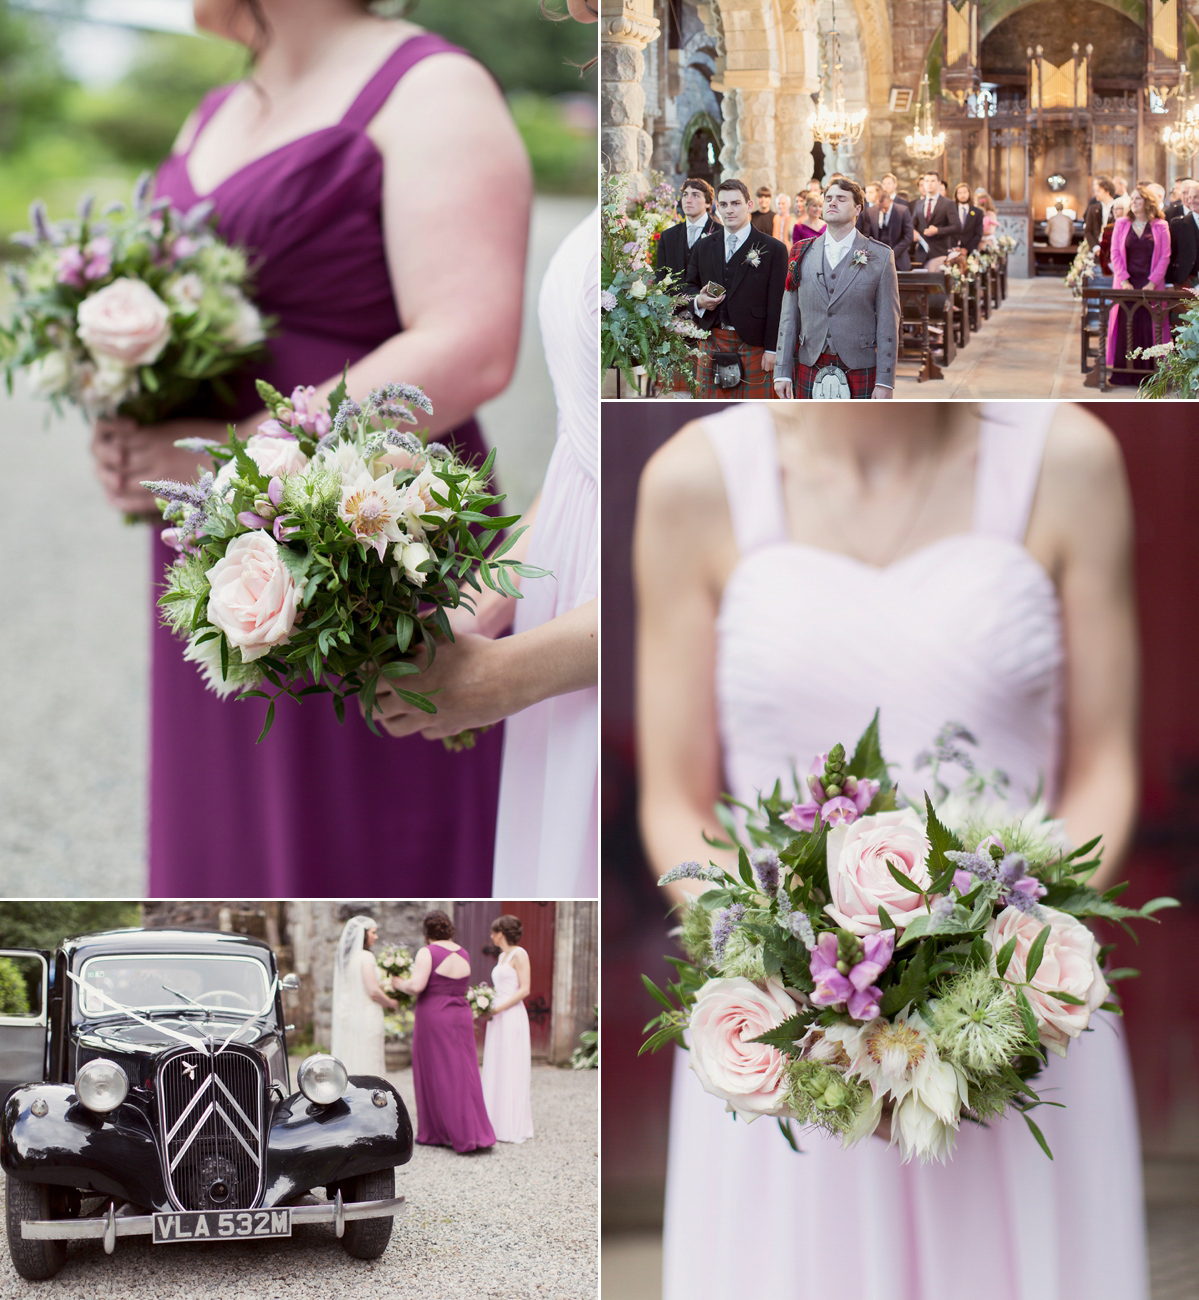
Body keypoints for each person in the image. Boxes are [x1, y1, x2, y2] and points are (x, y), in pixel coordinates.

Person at [634, 404, 1147, 1300]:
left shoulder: (1069, 459)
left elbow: (1104, 766)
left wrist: (1008, 976)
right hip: (790, 1036)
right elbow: (674, 799)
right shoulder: (694, 480)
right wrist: (782, 980)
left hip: (1020, 1021)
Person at [94, 0, 532, 897]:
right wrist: (135, 432)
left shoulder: (433, 88)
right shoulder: (215, 110)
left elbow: (470, 342)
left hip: (361, 534)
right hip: (217, 548)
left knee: (364, 838)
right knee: (228, 839)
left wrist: (239, 457)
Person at [369, 0, 597, 898]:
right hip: (565, 622)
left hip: (614, 645)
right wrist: (479, 603)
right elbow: (585, 456)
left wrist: (508, 674)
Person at [773, 177, 899, 400]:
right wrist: (782, 372)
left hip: (860, 365)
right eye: (828, 198)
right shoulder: (801, 252)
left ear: (857, 208)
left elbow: (889, 322)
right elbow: (788, 315)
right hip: (809, 362)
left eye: (841, 199)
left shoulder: (880, 255)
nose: (832, 203)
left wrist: (885, 381)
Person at [395, 911, 495, 1154]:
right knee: (464, 1071)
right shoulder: (463, 952)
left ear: (427, 932)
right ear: (449, 929)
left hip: (434, 1015)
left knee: (436, 1071)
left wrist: (398, 983)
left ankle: (437, 1132)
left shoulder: (427, 952)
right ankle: (474, 1132)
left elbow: (417, 986)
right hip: (460, 1014)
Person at [684, 179, 788, 399]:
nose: (729, 210)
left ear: (749, 205)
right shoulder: (703, 246)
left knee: (755, 411)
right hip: (711, 338)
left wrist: (772, 349)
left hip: (754, 344)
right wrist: (698, 301)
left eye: (736, 203)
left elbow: (777, 304)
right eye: (723, 205)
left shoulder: (774, 249)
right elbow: (689, 284)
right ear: (717, 207)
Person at [1107, 184, 1171, 385]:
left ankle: (1150, 374)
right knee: (1126, 324)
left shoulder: (1161, 225)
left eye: (1137, 199)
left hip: (1150, 283)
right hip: (1127, 283)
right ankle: (1123, 373)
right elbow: (1115, 253)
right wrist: (1124, 280)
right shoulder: (1121, 223)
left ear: (1147, 202)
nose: (1133, 202)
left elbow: (1165, 256)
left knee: (1150, 326)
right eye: (1132, 199)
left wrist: (1153, 282)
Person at [479, 914, 534, 1144]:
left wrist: (498, 1008)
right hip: (497, 1016)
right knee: (496, 1063)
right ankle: (493, 1120)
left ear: (500, 933)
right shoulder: (502, 956)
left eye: (493, 932)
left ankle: (511, 1125)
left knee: (511, 1063)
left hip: (511, 1015)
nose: (491, 936)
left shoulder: (519, 954)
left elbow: (525, 990)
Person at [331, 915, 399, 1077]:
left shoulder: (346, 959)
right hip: (367, 1014)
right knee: (369, 1054)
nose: (376, 937)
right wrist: (391, 1002)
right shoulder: (366, 957)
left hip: (349, 1015)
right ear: (363, 934)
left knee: (351, 1053)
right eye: (373, 932)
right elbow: (373, 991)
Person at [656, 177, 719, 283]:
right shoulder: (668, 236)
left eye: (695, 195)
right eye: (685, 195)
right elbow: (660, 277)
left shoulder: (720, 233)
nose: (688, 200)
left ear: (708, 202)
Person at [912, 170, 960, 268]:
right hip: (922, 252)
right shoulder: (919, 203)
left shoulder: (947, 203)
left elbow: (956, 226)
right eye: (927, 181)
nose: (929, 184)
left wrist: (937, 230)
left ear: (939, 183)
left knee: (938, 283)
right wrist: (913, 232)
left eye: (933, 181)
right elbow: (912, 224)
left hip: (940, 251)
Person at [1167, 179, 1199, 286]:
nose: (1191, 201)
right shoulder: (1177, 224)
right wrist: (1169, 283)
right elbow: (1171, 255)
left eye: (1196, 197)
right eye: (1190, 197)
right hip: (1186, 281)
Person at [871, 188, 913, 269]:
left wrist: (893, 253)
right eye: (880, 208)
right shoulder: (871, 212)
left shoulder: (902, 211)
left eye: (885, 208)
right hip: (877, 259)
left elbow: (909, 236)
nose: (883, 210)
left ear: (891, 201)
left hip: (899, 258)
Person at [1098, 194, 1131, 274]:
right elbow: (1104, 253)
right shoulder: (1109, 228)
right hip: (1113, 265)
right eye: (1113, 208)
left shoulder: (1133, 227)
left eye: (1118, 208)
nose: (1115, 211)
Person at [1084, 177, 1116, 248]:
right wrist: (1095, 247)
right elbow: (1088, 231)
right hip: (1097, 248)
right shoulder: (1093, 208)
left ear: (1107, 191)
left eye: (1098, 191)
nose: (1095, 194)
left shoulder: (1117, 207)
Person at [952, 182, 984, 252]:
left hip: (970, 250)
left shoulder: (978, 212)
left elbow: (978, 234)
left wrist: (967, 249)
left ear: (969, 193)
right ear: (956, 195)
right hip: (952, 248)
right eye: (959, 193)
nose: (962, 195)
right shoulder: (951, 210)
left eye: (965, 192)